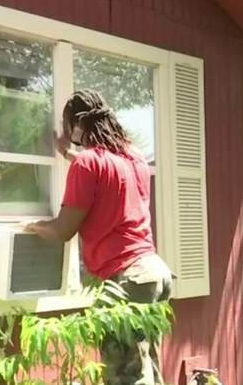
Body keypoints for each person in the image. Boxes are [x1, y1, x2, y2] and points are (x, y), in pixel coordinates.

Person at [24, 89, 173, 385]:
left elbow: (63, 230)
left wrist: (32, 225)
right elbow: (106, 172)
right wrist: (68, 153)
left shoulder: (88, 164)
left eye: (69, 127)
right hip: (155, 273)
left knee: (123, 377)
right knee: (149, 372)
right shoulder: (135, 157)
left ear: (77, 126)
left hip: (126, 281)